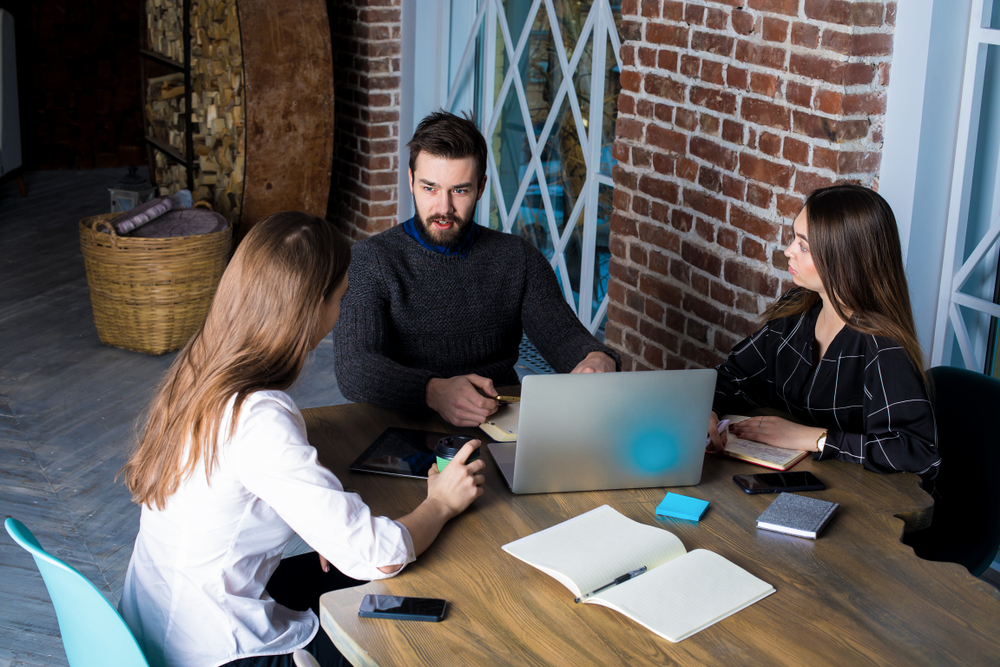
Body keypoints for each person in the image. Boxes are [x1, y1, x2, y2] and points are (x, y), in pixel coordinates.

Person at [117, 212, 486, 667]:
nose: (341, 311)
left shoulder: (200, 372)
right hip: (217, 653)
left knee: (349, 571)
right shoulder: (258, 419)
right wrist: (441, 504)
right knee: (421, 610)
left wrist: (325, 517)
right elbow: (378, 556)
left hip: (153, 630)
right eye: (340, 298)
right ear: (312, 308)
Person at [333, 110, 620, 428]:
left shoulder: (516, 258)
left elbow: (565, 339)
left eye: (459, 190)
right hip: (402, 427)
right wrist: (433, 391)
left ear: (481, 188)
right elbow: (355, 368)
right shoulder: (371, 260)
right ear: (411, 181)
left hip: (498, 425)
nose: (443, 208)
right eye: (430, 188)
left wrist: (597, 359)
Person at [707, 184, 940, 479]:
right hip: (786, 479)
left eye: (803, 246)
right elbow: (734, 376)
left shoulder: (884, 348)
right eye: (794, 238)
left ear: (845, 260)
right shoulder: (796, 311)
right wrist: (708, 410)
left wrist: (813, 438)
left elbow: (917, 453)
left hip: (858, 502)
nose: (788, 251)